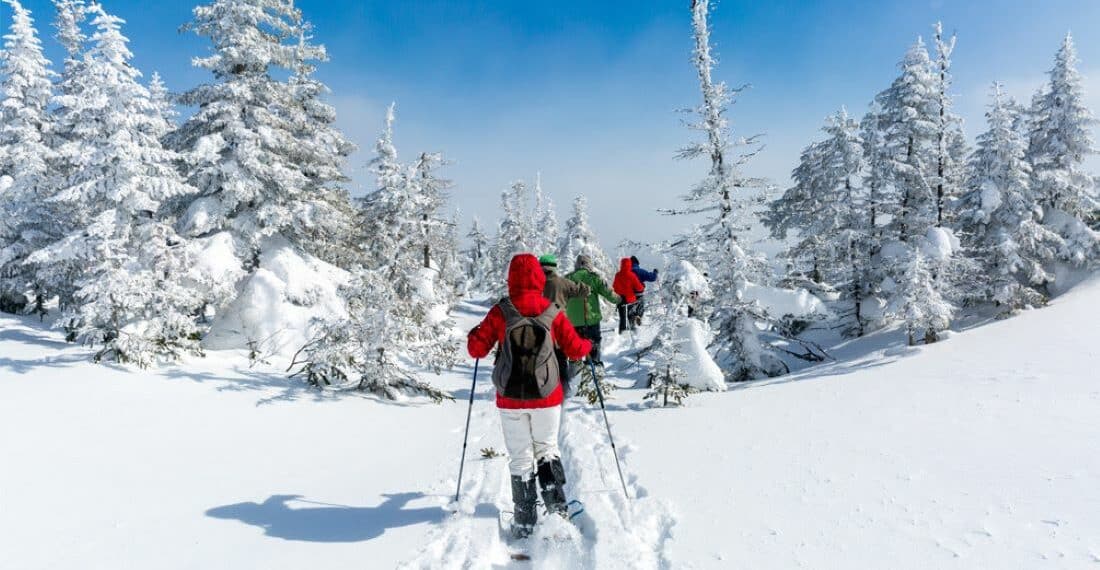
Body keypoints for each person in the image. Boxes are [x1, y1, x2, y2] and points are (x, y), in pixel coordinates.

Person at [467, 254, 593, 538]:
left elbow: (476, 350)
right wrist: (587, 344)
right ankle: (557, 512)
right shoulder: (552, 311)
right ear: (538, 278)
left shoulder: (501, 311)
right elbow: (575, 350)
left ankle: (524, 523)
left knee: (520, 458)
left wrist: (474, 333)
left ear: (511, 278)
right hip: (547, 396)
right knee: (547, 448)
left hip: (510, 398)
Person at [539, 253, 589, 396]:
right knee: (561, 359)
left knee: (542, 360)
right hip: (560, 327)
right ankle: (563, 390)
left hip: (540, 328)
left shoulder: (536, 283)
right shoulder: (563, 282)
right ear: (554, 267)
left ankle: (543, 389)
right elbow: (583, 290)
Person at [564, 254, 620, 367]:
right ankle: (593, 368)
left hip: (573, 321)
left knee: (575, 348)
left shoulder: (567, 278)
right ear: (589, 265)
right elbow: (609, 294)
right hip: (591, 320)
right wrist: (619, 299)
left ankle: (575, 372)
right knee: (593, 344)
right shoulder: (594, 278)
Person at [613, 257, 645, 334]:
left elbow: (614, 287)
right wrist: (642, 287)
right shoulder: (632, 275)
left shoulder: (618, 275)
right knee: (630, 315)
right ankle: (632, 328)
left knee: (622, 318)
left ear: (621, 265)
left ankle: (622, 333)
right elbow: (639, 287)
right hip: (630, 299)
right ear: (630, 265)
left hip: (620, 299)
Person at [629, 256, 658, 325]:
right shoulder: (640, 271)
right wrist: (655, 272)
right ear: (637, 263)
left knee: (630, 308)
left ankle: (631, 320)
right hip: (639, 293)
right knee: (640, 307)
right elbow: (652, 278)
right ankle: (638, 316)